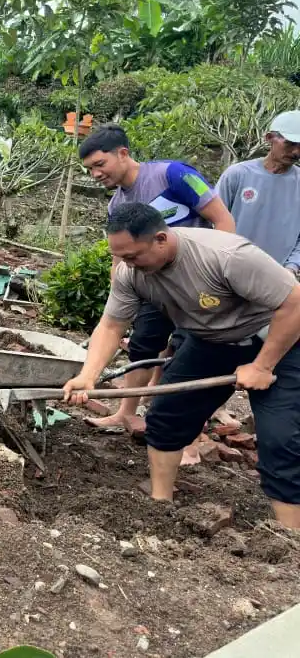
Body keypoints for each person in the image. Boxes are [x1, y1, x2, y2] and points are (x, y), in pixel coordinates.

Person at [63, 203, 300, 529]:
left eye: (133, 256)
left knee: (281, 438)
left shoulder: (226, 256)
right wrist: (88, 375)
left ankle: (290, 539)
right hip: (210, 342)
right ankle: (161, 504)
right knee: (165, 417)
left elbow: (295, 303)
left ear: (161, 238)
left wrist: (262, 365)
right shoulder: (132, 273)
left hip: (280, 342)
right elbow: (111, 325)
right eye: (120, 257)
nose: (126, 265)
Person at [79, 124, 234, 440]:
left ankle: (188, 433)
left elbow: (222, 219)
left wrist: (218, 273)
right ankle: (126, 413)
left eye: (100, 164)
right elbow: (119, 260)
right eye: (89, 169)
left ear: (123, 153)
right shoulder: (117, 205)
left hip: (196, 283)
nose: (95, 174)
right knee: (143, 345)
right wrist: (120, 298)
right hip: (153, 286)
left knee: (188, 352)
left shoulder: (173, 175)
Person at [216, 111, 300, 275]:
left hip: (278, 276)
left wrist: (292, 267)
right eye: (290, 144)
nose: (296, 152)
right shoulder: (238, 174)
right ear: (269, 138)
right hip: (229, 270)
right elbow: (213, 222)